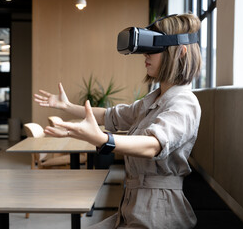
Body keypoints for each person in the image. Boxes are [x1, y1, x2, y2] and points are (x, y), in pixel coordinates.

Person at [34, 13, 202, 229]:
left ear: (180, 52)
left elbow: (153, 145)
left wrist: (105, 139)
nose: (145, 56)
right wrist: (67, 107)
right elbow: (110, 116)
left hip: (159, 212)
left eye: (153, 50)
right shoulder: (154, 100)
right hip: (133, 205)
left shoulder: (184, 103)